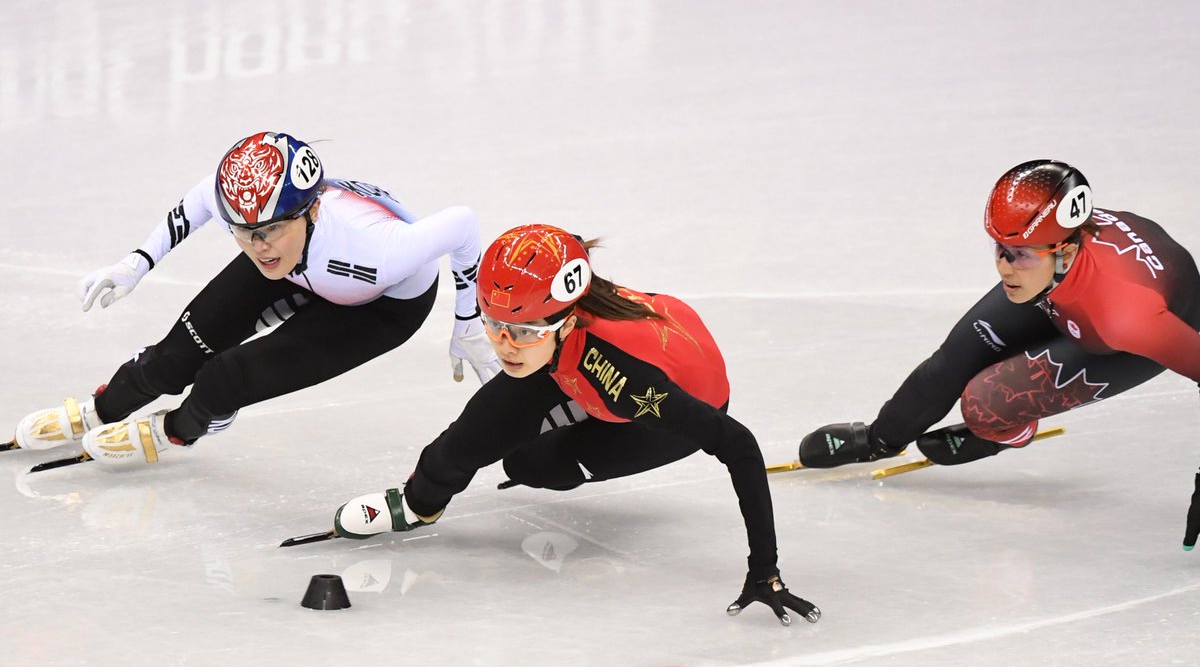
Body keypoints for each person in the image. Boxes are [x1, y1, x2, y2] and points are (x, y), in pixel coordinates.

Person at [322, 224, 820, 625]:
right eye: (494, 326)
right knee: (469, 439)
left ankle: (570, 426)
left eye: (521, 332)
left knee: (533, 466)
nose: (505, 346)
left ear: (567, 320)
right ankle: (418, 505)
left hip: (668, 402)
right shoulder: (546, 323)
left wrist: (765, 570)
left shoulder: (626, 380)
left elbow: (739, 444)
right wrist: (524, 342)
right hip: (575, 359)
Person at [9, 130, 499, 466]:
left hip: (381, 306)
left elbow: (462, 225)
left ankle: (178, 429)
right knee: (172, 360)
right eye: (243, 232)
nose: (258, 246)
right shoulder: (250, 215)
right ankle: (100, 409)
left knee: (225, 379)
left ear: (310, 211)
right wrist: (136, 263)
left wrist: (468, 323)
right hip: (303, 267)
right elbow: (200, 200)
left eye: (270, 230)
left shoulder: (380, 250)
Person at [797, 159, 1200, 547]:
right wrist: (882, 436)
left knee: (986, 404)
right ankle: (879, 440)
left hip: (1128, 338)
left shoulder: (1127, 317)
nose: (1005, 268)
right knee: (955, 359)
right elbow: (952, 360)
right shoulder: (1050, 247)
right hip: (1075, 289)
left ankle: (1007, 432)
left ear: (1065, 252)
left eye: (1019, 254)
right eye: (1000, 249)